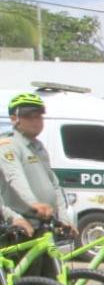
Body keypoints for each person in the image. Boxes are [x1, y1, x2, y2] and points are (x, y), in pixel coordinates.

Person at [0, 92, 76, 240]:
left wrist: (64, 218)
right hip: (19, 225)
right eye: (29, 116)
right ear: (14, 119)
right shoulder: (8, 145)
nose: (36, 121)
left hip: (43, 225)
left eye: (39, 116)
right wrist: (34, 203)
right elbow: (15, 177)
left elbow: (54, 184)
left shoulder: (38, 147)